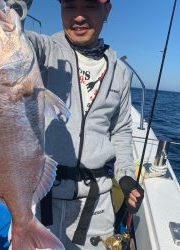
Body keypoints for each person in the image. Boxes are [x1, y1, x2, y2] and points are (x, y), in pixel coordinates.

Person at [9, 0, 144, 249]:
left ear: (107, 10)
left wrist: (125, 175)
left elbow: (121, 129)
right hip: (41, 200)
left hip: (96, 206)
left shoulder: (120, 72)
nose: (79, 17)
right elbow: (6, 39)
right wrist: (14, 4)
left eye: (90, 6)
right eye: (69, 6)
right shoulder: (43, 51)